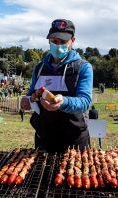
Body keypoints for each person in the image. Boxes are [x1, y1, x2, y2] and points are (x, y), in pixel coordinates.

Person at [21, 19, 93, 153]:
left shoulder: (82, 67)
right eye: (54, 41)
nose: (58, 45)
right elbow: (32, 94)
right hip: (44, 137)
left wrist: (63, 102)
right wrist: (27, 100)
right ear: (49, 41)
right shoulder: (40, 68)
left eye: (63, 42)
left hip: (74, 140)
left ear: (73, 40)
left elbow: (85, 101)